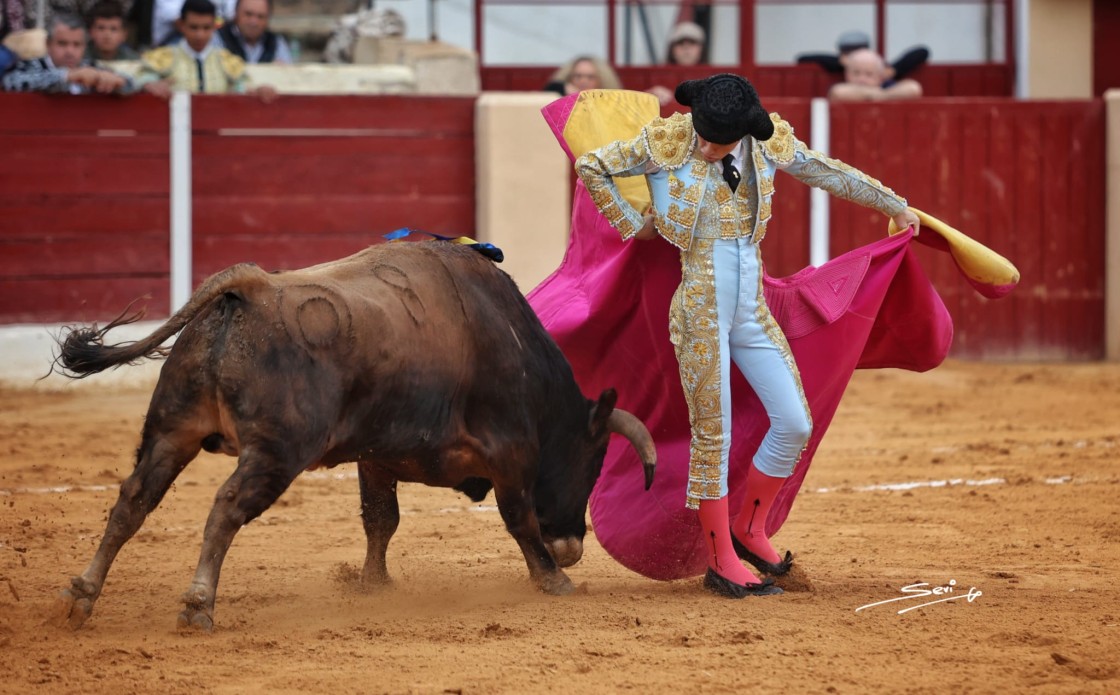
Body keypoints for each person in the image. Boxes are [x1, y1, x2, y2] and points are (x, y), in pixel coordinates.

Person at [574, 74, 919, 598]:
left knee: (794, 421)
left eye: (719, 140)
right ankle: (719, 560)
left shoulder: (764, 142)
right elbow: (592, 164)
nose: (707, 146)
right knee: (714, 437)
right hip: (699, 313)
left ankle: (750, 528)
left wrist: (892, 204)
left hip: (750, 310)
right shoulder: (669, 141)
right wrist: (631, 222)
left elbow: (822, 170)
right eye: (704, 134)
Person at [134, 0, 275, 98]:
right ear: (181, 25)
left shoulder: (227, 60)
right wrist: (149, 84)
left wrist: (255, 91)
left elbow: (242, 86)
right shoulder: (163, 57)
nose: (199, 35)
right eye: (193, 27)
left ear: (214, 26)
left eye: (206, 28)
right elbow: (141, 78)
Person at [3, 12, 130, 93]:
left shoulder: (91, 68)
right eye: (62, 43)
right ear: (48, 44)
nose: (70, 51)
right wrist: (66, 76)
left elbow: (130, 84)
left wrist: (119, 82)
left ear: (85, 46)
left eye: (77, 45)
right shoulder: (30, 66)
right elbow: (10, 81)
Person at [798, 29, 929, 85]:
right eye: (856, 72)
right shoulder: (839, 65)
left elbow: (923, 51)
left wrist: (893, 70)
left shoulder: (882, 67)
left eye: (869, 73)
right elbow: (802, 59)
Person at [828, 47, 922, 101]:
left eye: (869, 74)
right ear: (847, 75)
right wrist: (878, 95)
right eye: (856, 73)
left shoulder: (887, 85)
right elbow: (838, 92)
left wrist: (879, 94)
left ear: (880, 77)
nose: (862, 79)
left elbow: (913, 89)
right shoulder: (843, 88)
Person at [215, 0, 292, 64]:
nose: (254, 22)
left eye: (260, 16)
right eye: (248, 14)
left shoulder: (276, 43)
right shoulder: (219, 38)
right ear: (236, 13)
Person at [544, 55, 621, 96]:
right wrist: (562, 88)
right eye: (578, 76)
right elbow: (548, 92)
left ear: (602, 80)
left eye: (590, 77)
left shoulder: (610, 104)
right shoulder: (561, 99)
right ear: (569, 78)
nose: (583, 81)